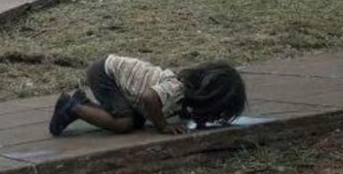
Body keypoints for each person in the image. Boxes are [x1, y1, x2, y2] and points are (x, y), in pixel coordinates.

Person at [49, 55, 247, 136]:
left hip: (112, 72)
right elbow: (148, 98)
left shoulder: (182, 96)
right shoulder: (175, 90)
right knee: (126, 123)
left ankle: (82, 103)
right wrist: (163, 126)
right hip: (105, 74)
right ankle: (72, 106)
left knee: (136, 121)